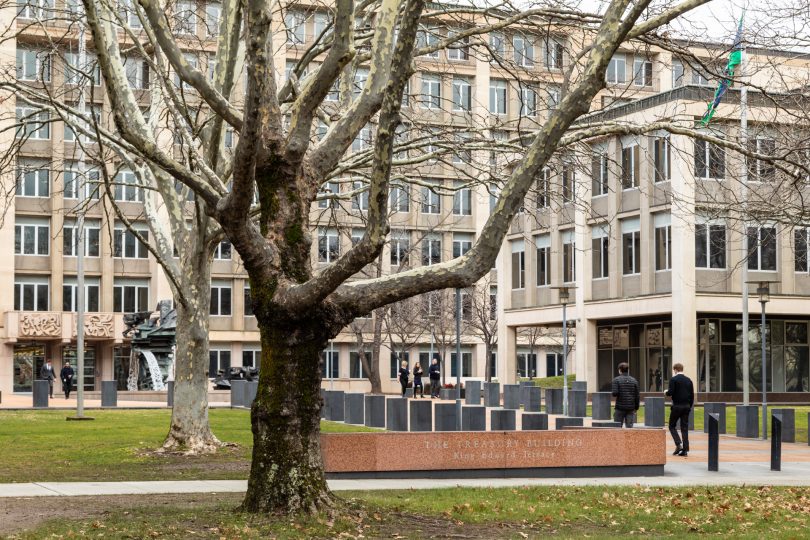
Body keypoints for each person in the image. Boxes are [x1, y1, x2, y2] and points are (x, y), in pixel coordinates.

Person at [665, 363, 694, 457]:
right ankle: (685, 449)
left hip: (677, 406)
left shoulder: (673, 379)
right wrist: (689, 406)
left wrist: (666, 392)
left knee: (671, 426)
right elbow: (692, 395)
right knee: (684, 428)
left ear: (675, 370)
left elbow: (670, 392)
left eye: (674, 370)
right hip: (686, 406)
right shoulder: (689, 380)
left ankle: (678, 444)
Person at [611, 362, 639, 428]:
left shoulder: (616, 380)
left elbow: (615, 393)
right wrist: (636, 407)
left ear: (620, 370)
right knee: (629, 427)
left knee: (617, 427)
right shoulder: (634, 380)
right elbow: (637, 395)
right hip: (630, 408)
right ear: (628, 370)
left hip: (620, 407)